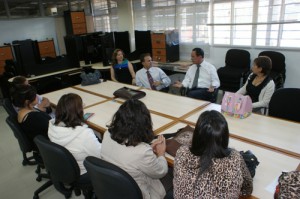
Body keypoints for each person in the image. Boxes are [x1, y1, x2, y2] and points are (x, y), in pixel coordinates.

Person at [173, 110, 253, 198]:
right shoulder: (235, 157)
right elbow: (248, 188)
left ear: (196, 135)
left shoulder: (182, 153)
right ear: (225, 136)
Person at [101, 99, 170, 199]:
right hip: (138, 194)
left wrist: (148, 149)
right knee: (172, 172)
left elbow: (128, 155)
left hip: (115, 187)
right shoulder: (142, 152)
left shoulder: (107, 134)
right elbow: (160, 172)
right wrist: (161, 154)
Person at [48, 93, 101, 176]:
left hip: (65, 167)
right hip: (84, 171)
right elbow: (101, 155)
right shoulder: (84, 134)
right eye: (82, 106)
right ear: (78, 111)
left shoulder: (52, 127)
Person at [12, 84, 51, 150]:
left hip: (41, 142)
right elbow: (54, 128)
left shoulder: (22, 111)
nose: (37, 97)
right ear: (27, 102)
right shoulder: (34, 117)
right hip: (48, 146)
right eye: (35, 96)